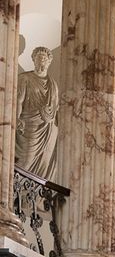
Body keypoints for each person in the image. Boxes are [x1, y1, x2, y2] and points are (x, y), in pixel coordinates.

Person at [15, 46, 59, 179]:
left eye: (45, 58)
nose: (42, 61)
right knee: (26, 159)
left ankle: (34, 198)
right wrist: (16, 118)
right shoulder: (25, 79)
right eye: (39, 58)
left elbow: (55, 107)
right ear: (33, 60)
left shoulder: (53, 84)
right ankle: (12, 190)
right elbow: (18, 101)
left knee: (44, 164)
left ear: (49, 62)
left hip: (48, 128)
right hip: (30, 127)